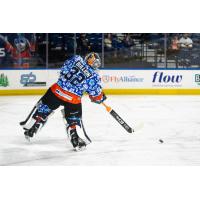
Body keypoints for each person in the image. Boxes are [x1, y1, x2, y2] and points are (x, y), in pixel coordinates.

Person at [20, 52, 106, 151]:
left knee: (43, 110)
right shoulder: (94, 76)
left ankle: (33, 127)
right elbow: (96, 95)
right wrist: (100, 98)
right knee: (73, 120)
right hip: (72, 99)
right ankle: (76, 140)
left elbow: (63, 70)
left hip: (56, 91)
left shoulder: (76, 59)